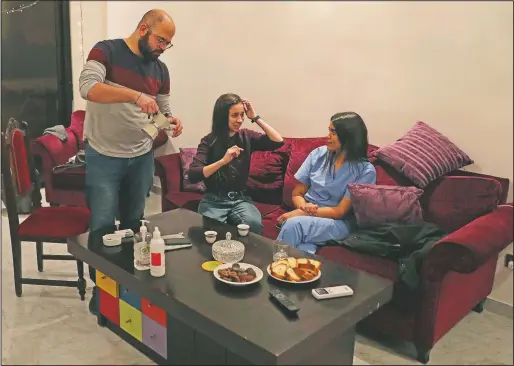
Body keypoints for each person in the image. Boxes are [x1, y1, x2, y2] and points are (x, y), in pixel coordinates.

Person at [78, 9, 183, 314]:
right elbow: (88, 88)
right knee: (102, 228)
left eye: (168, 44)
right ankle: (102, 292)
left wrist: (171, 121)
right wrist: (135, 96)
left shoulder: (160, 70)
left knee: (134, 226)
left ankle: (126, 287)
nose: (163, 48)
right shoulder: (106, 50)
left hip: (141, 156)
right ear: (142, 29)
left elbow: (160, 110)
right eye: (161, 40)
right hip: (104, 155)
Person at [276, 112, 376, 254]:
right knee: (303, 249)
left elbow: (340, 211)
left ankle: (278, 267)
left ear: (348, 136)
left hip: (338, 222)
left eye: (333, 132)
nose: (327, 136)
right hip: (309, 213)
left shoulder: (365, 170)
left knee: (293, 225)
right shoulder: (318, 154)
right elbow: (297, 193)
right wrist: (304, 207)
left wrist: (301, 213)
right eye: (329, 130)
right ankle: (301, 269)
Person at [188, 93, 284, 234]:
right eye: (234, 115)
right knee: (213, 233)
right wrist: (222, 161)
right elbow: (193, 174)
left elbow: (278, 142)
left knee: (254, 225)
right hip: (214, 200)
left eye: (242, 115)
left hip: (240, 199)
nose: (240, 120)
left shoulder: (246, 136)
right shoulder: (209, 141)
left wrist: (255, 118)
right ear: (222, 117)